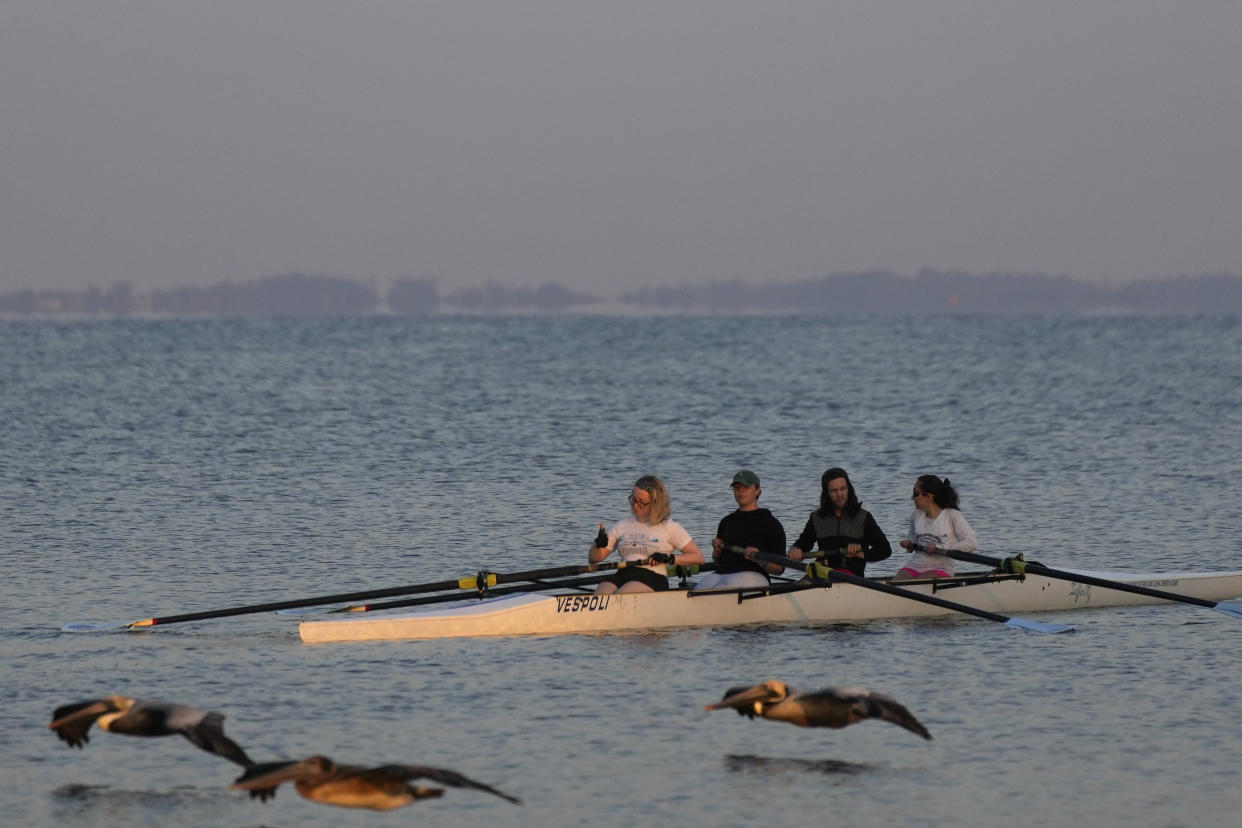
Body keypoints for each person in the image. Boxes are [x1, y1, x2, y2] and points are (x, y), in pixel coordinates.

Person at [589, 475, 705, 594]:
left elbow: (698, 557)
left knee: (621, 596)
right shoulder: (622, 525)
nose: (635, 505)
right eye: (633, 500)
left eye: (642, 502)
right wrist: (597, 545)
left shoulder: (669, 527)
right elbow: (593, 559)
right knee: (599, 597)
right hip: (622, 574)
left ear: (656, 503)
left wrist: (669, 558)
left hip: (653, 577)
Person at [787, 467, 892, 577]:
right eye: (834, 491)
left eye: (843, 489)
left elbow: (885, 550)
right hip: (821, 572)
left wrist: (860, 554)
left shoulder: (863, 517)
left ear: (849, 489)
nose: (840, 494)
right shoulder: (816, 518)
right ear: (826, 494)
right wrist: (795, 550)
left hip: (851, 576)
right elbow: (802, 544)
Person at [696, 470, 786, 590]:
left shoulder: (771, 524)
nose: (740, 490)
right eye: (737, 487)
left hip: (754, 574)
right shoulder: (726, 521)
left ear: (758, 490)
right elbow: (718, 559)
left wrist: (760, 560)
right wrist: (716, 552)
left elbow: (779, 569)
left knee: (721, 589)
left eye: (746, 487)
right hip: (721, 573)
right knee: (699, 588)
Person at [894, 474, 978, 580]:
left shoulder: (952, 515)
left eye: (915, 493)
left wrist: (941, 548)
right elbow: (912, 543)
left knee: (921, 583)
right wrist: (909, 544)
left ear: (929, 497)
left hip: (940, 568)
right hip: (914, 566)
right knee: (896, 584)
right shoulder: (915, 515)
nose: (912, 498)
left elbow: (972, 543)